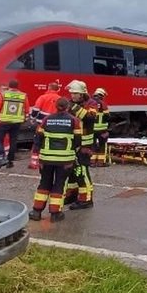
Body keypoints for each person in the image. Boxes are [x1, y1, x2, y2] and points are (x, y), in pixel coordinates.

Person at [28, 97, 82, 222]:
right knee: (59, 184)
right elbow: (78, 140)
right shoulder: (74, 121)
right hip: (65, 160)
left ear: (55, 106)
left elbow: (38, 138)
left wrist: (36, 155)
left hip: (46, 158)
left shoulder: (46, 119)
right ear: (68, 107)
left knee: (44, 183)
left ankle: (36, 211)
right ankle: (55, 213)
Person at [64, 80, 98, 210]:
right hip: (72, 143)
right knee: (72, 171)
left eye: (75, 93)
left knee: (82, 171)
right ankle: (72, 194)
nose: (72, 96)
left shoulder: (91, 103)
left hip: (85, 145)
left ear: (82, 93)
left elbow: (90, 118)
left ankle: (86, 199)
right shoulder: (70, 103)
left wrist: (74, 107)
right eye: (71, 93)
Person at [0, 79, 29, 171]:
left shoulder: (3, 94)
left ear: (9, 86)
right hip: (16, 122)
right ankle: (10, 161)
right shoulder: (23, 95)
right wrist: (25, 119)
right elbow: (26, 109)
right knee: (13, 141)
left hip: (3, 121)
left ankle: (1, 159)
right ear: (17, 86)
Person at [91, 87, 110, 167]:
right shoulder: (103, 104)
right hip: (102, 129)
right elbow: (107, 116)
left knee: (93, 145)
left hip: (92, 129)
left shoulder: (90, 103)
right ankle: (100, 162)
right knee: (102, 145)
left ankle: (92, 162)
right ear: (101, 95)